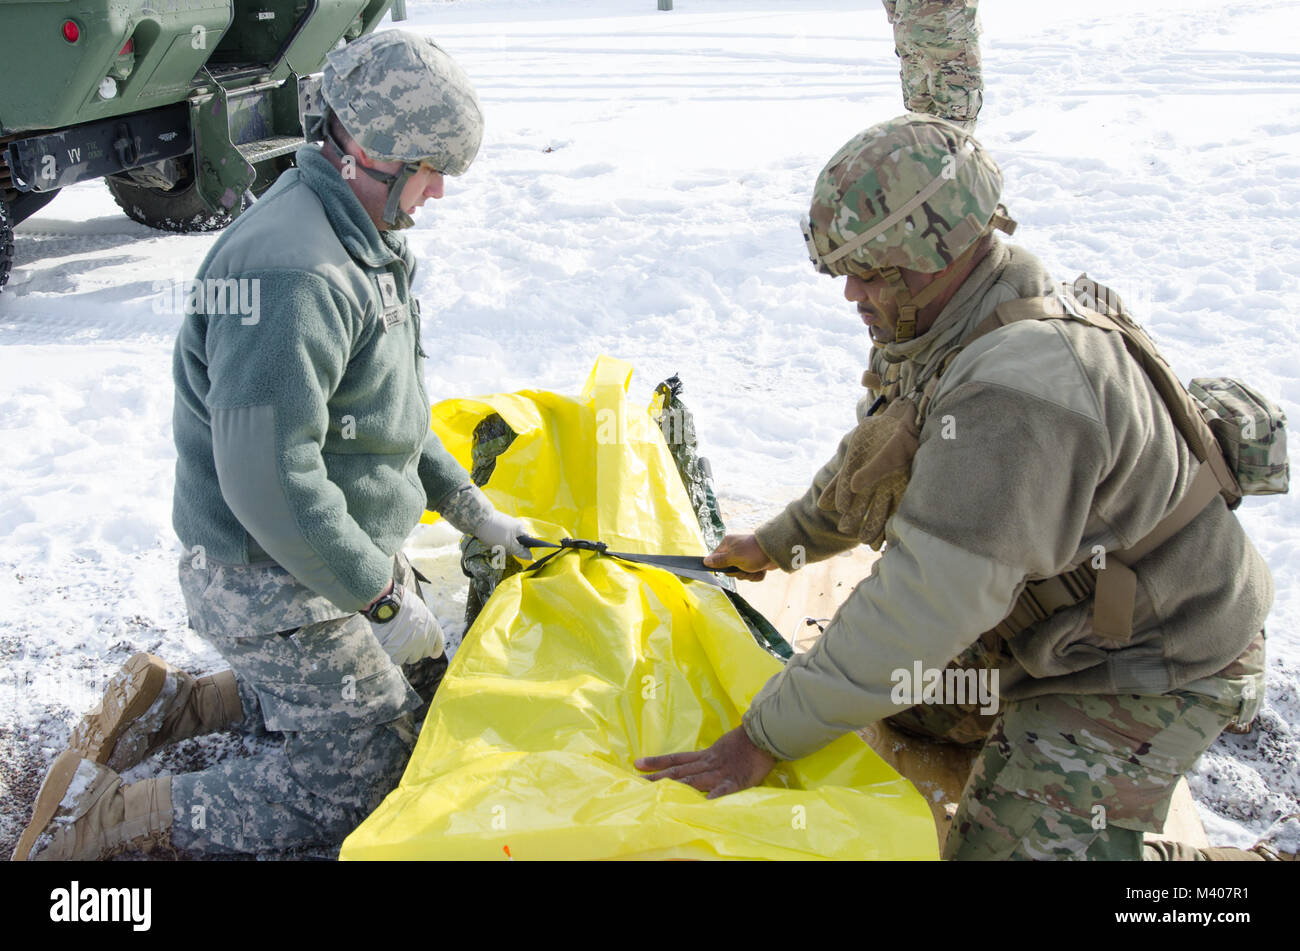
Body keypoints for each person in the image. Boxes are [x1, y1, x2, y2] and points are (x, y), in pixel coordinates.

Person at [637, 114, 1281, 860]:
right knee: (910, 707)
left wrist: (759, 738)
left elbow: (920, 607)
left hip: (1145, 657)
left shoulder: (1015, 389)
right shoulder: (965, 309)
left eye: (870, 271)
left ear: (931, 254)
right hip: (1053, 615)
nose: (851, 291)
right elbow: (877, 460)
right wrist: (780, 541)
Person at [14, 30, 534, 861]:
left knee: (389, 687)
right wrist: (383, 600)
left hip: (313, 552)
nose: (437, 191)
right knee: (368, 775)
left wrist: (472, 509)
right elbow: (270, 486)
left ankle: (175, 704)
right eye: (431, 168)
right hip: (264, 572)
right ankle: (112, 817)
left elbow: (385, 419)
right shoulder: (295, 274)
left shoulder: (359, 231)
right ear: (371, 149)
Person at [881, 0, 983, 131]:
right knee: (956, 118)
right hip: (949, 31)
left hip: (908, 28)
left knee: (921, 114)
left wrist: (900, 17)